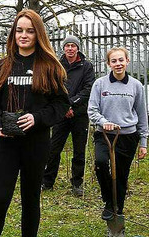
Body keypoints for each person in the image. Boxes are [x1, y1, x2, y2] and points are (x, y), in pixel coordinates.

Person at [0, 9, 70, 237]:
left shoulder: (50, 67)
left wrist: (38, 118)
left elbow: (61, 105)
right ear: (13, 33)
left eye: (29, 31)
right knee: (1, 199)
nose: (24, 36)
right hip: (6, 144)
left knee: (31, 199)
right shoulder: (2, 66)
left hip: (36, 144)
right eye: (19, 30)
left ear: (38, 34)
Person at [87, 47, 147, 221]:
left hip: (127, 136)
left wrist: (143, 141)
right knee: (100, 163)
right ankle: (108, 200)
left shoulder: (136, 85)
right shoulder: (100, 84)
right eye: (114, 61)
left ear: (127, 61)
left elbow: (142, 114)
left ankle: (117, 209)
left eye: (121, 60)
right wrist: (104, 122)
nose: (118, 64)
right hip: (104, 134)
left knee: (121, 174)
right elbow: (92, 110)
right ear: (108, 64)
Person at [42, 35, 95, 196]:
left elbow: (88, 89)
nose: (70, 48)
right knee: (53, 149)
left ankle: (77, 184)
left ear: (78, 48)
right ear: (63, 48)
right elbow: (53, 88)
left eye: (73, 46)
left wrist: (71, 104)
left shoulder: (86, 66)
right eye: (67, 46)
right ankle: (47, 182)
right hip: (60, 114)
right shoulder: (57, 65)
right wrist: (64, 107)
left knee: (79, 151)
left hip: (79, 114)